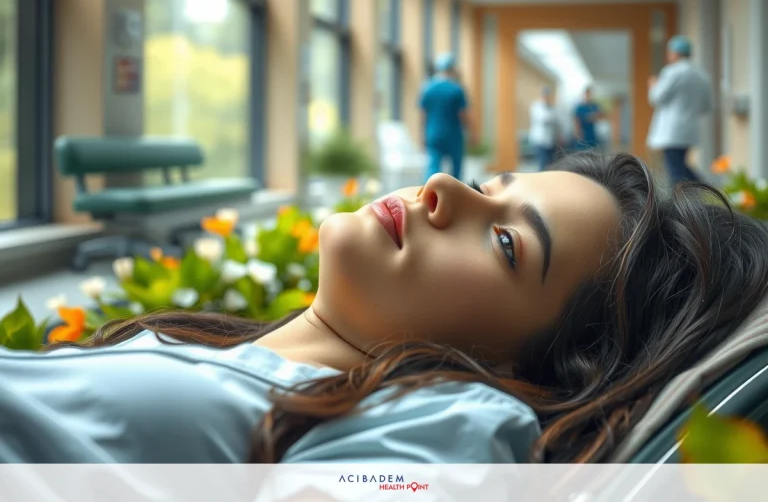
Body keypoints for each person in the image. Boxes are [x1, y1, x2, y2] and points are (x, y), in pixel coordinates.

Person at [3, 153, 768, 465]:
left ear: (523, 363)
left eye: (505, 242)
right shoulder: (231, 354)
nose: (443, 188)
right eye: (490, 184)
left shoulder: (449, 424)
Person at [647, 35, 715, 186]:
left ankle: (699, 191)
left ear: (675, 53)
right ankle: (705, 189)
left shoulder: (672, 72)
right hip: (690, 128)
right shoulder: (701, 75)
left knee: (676, 172)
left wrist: (653, 85)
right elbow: (707, 105)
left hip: (672, 130)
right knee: (679, 166)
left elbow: (657, 97)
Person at [419, 52, 474, 182]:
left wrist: (423, 135)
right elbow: (463, 114)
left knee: (433, 167)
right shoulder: (456, 89)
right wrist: (472, 132)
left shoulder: (427, 88)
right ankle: (455, 192)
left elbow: (423, 115)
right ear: (452, 69)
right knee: (456, 170)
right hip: (453, 135)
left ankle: (429, 191)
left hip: (433, 134)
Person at [529, 86, 560, 171]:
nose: (547, 97)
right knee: (543, 164)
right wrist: (552, 116)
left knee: (551, 165)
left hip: (551, 142)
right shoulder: (537, 106)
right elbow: (544, 118)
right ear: (542, 95)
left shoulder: (552, 107)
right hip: (540, 141)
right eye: (546, 95)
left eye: (549, 95)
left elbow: (557, 122)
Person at [573, 86, 604, 150]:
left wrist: (593, 117)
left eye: (590, 94)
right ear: (585, 95)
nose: (589, 96)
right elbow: (576, 120)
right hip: (583, 133)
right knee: (582, 150)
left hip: (592, 133)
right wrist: (577, 131)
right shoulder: (580, 107)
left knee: (592, 150)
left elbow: (600, 116)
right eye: (588, 94)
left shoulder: (594, 106)